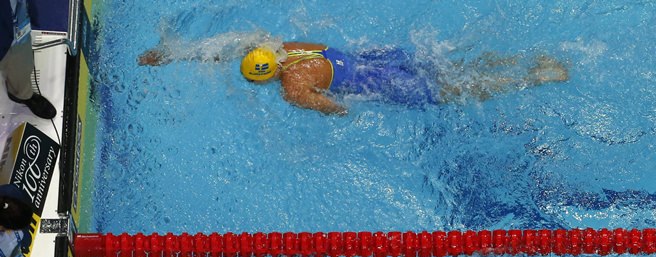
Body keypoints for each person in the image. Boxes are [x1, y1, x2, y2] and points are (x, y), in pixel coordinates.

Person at [139, 40, 569, 115]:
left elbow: (337, 111)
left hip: (380, 85)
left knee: (456, 90)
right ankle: (524, 57)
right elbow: (231, 48)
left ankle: (539, 77)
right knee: (450, 65)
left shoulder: (292, 87)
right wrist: (174, 55)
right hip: (379, 57)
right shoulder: (286, 46)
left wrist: (337, 109)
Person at [0, 0, 57, 119]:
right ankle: (21, 93)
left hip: (15, 20)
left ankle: (21, 93)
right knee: (17, 60)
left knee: (21, 64)